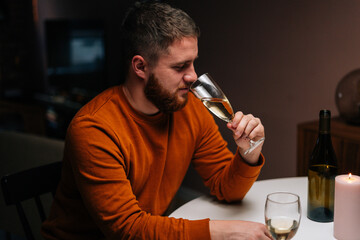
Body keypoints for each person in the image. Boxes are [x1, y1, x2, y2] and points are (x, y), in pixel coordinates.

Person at [42, 2, 271, 239]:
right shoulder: (94, 128)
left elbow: (227, 189)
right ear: (140, 66)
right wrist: (223, 231)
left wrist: (248, 152)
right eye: (180, 66)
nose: (193, 76)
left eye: (193, 62)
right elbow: (128, 230)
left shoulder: (190, 107)